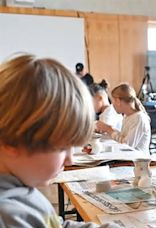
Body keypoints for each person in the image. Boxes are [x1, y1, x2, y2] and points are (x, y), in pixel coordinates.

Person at [0, 54, 120, 227]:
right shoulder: (7, 216)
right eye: (63, 146)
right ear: (12, 141)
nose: (70, 159)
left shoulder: (20, 191)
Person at [96, 84, 151, 153]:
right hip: (128, 158)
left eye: (113, 102)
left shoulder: (139, 118)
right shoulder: (127, 116)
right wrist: (108, 129)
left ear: (118, 101)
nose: (112, 105)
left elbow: (127, 146)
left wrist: (109, 129)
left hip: (137, 161)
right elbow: (123, 137)